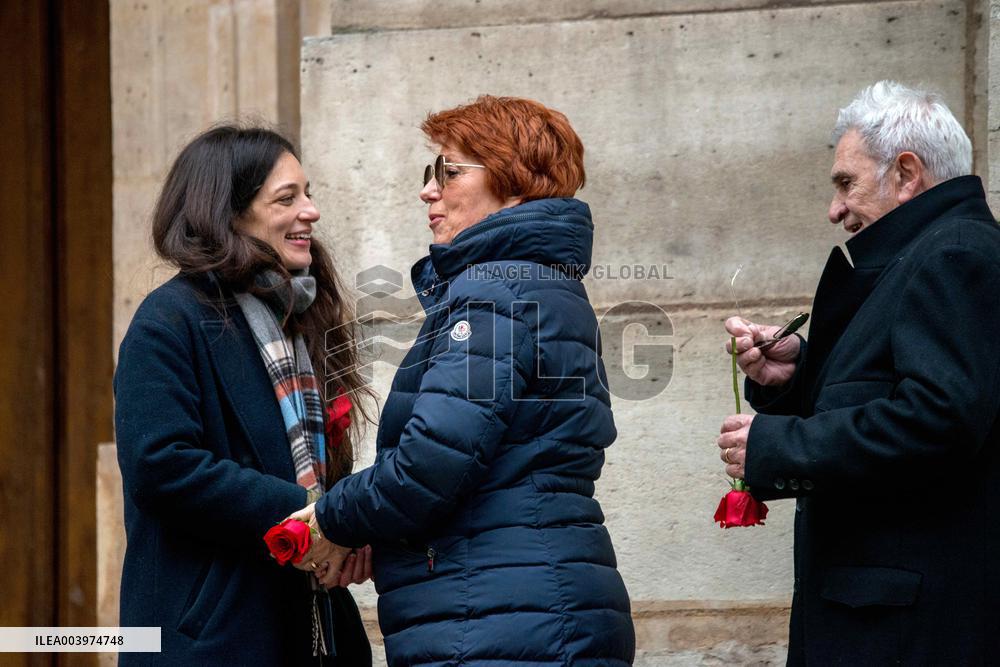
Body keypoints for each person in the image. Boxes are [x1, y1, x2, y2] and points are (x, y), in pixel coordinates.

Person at [291, 95, 636, 665]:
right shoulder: (535, 283)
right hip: (528, 608)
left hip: (500, 624)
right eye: (432, 173)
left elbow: (432, 460)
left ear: (515, 182)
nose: (429, 190)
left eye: (449, 172)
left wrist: (331, 517)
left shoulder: (495, 293)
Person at [718, 80, 1000, 664]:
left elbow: (938, 420)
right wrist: (792, 380)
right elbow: (891, 396)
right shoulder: (929, 254)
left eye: (846, 183)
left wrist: (778, 445)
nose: (834, 209)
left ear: (905, 173)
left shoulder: (954, 254)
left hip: (909, 631)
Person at [114, 125, 373, 665]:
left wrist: (348, 527)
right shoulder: (169, 320)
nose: (311, 211)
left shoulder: (306, 317)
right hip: (214, 636)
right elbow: (162, 465)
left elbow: (325, 471)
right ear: (228, 213)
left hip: (314, 627)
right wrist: (314, 517)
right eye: (287, 198)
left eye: (309, 192)